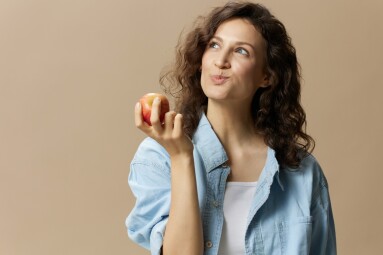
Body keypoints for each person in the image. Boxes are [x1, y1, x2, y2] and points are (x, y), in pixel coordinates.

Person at [126, 2, 336, 255]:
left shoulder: (301, 171)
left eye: (241, 51)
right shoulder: (159, 156)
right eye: (214, 45)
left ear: (266, 76)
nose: (221, 61)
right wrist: (182, 157)